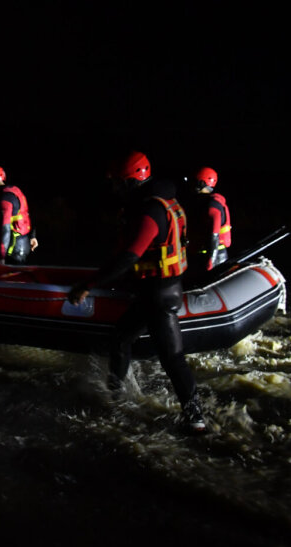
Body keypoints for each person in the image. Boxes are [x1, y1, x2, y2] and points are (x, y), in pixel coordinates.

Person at [67, 151, 206, 435]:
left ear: (132, 182)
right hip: (156, 291)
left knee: (172, 358)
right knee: (120, 338)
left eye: (119, 183)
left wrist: (87, 285)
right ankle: (115, 396)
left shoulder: (151, 211)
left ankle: (196, 420)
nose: (115, 188)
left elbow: (130, 257)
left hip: (160, 295)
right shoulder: (159, 202)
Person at [0, 165, 38, 264]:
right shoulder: (13, 191)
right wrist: (33, 236)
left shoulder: (5, 199)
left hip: (13, 250)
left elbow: (5, 229)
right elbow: (28, 213)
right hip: (22, 244)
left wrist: (1, 256)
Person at [185, 166, 231, 281]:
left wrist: (210, 262)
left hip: (213, 257)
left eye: (193, 181)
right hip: (202, 255)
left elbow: (214, 235)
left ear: (200, 183)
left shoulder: (212, 206)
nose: (189, 185)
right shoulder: (202, 203)